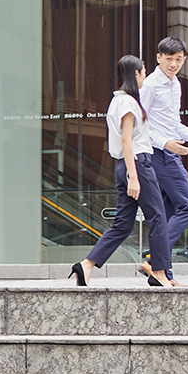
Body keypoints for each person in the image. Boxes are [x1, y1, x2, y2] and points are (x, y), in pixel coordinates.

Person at [70, 56, 172, 287]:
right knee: (157, 217)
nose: (144, 76)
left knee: (123, 224)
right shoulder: (128, 103)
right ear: (135, 73)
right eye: (143, 72)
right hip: (137, 164)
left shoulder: (117, 101)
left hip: (124, 165)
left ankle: (86, 266)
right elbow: (127, 141)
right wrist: (134, 177)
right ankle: (159, 272)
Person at [137, 37, 188, 286]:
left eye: (178, 59)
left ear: (184, 60)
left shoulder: (175, 85)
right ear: (158, 58)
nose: (173, 64)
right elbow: (138, 123)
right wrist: (164, 143)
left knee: (168, 212)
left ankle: (163, 275)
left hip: (167, 151)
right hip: (158, 154)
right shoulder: (150, 85)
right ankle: (152, 258)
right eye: (168, 59)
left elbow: (173, 124)